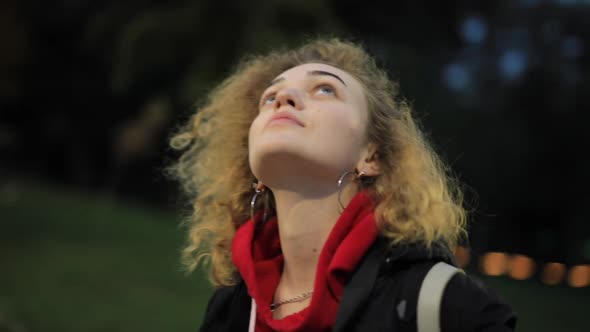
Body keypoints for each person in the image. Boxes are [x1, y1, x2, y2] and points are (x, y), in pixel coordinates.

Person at [169, 38, 517, 332]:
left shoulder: (447, 305)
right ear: (253, 168)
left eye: (325, 89)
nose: (282, 97)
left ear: (371, 156)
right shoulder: (229, 309)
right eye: (269, 96)